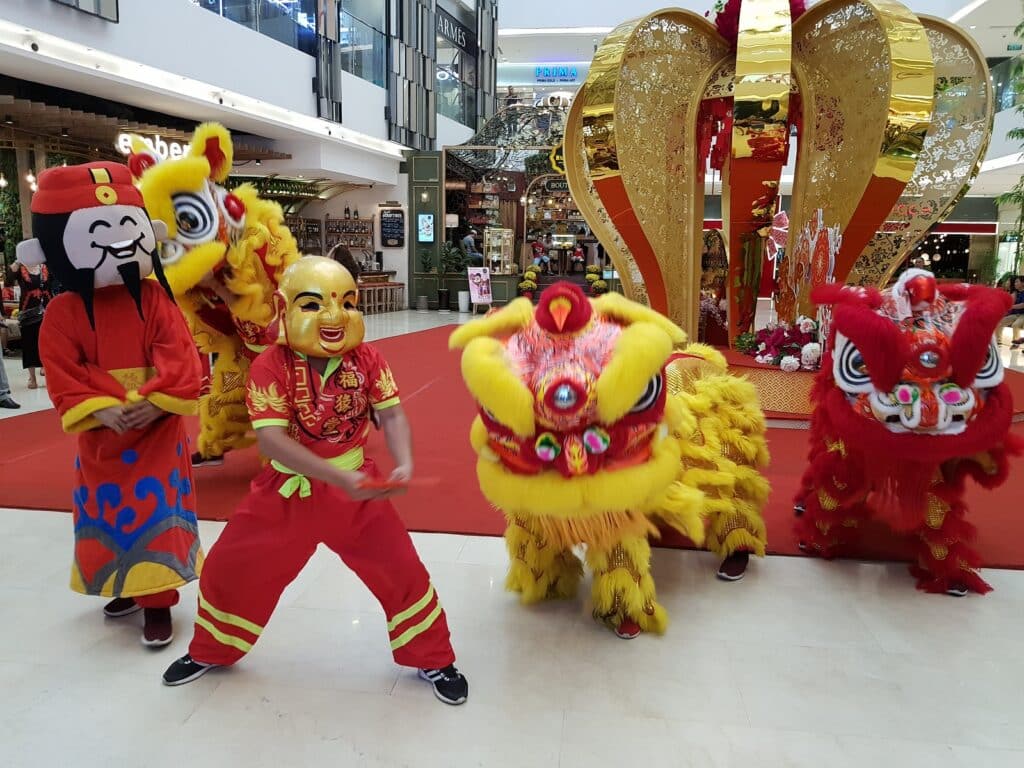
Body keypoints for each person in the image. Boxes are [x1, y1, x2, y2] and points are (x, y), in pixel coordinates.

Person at [162, 257, 469, 706]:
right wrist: (335, 476)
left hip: (356, 492)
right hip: (286, 491)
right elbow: (270, 442)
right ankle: (211, 649)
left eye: (346, 302)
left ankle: (434, 658)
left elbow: (392, 413)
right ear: (284, 308)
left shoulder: (366, 357)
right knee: (230, 567)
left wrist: (403, 463)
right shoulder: (270, 364)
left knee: (401, 571)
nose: (333, 317)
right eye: (314, 304)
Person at [18, 161, 203, 646]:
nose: (119, 240)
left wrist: (158, 401)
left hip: (157, 430)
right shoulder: (63, 311)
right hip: (103, 433)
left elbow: (178, 353)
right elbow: (63, 368)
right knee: (105, 512)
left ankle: (159, 598)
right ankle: (123, 583)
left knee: (158, 511)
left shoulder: (155, 299)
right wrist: (100, 407)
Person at [9, 259, 53, 389]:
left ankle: (48, 371)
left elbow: (51, 286)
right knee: (29, 344)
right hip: (28, 311)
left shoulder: (45, 267)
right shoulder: (21, 268)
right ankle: (32, 378)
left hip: (46, 309)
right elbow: (8, 280)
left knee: (47, 343)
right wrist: (17, 262)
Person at [997, 275, 1024, 347]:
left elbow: (1022, 305)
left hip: (1022, 315)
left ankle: (1015, 343)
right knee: (1000, 322)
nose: (1015, 284)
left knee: (1016, 325)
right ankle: (998, 341)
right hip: (1016, 314)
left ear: (1023, 283)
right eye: (1015, 282)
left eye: (1017, 282)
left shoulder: (1017, 293)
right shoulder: (1017, 292)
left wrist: (1011, 307)